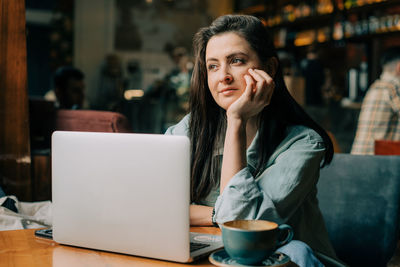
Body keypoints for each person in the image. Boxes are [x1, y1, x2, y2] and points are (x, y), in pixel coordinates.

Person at [165, 15, 339, 266]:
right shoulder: (192, 129)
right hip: (212, 256)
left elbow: (242, 227)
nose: (223, 76)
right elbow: (151, 206)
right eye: (212, 66)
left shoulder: (304, 143)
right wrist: (216, 215)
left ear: (268, 69)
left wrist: (236, 120)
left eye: (236, 61)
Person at [351, 46, 400, 155]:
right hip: (378, 163)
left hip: (358, 159)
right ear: (399, 67)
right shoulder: (394, 88)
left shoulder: (375, 86)